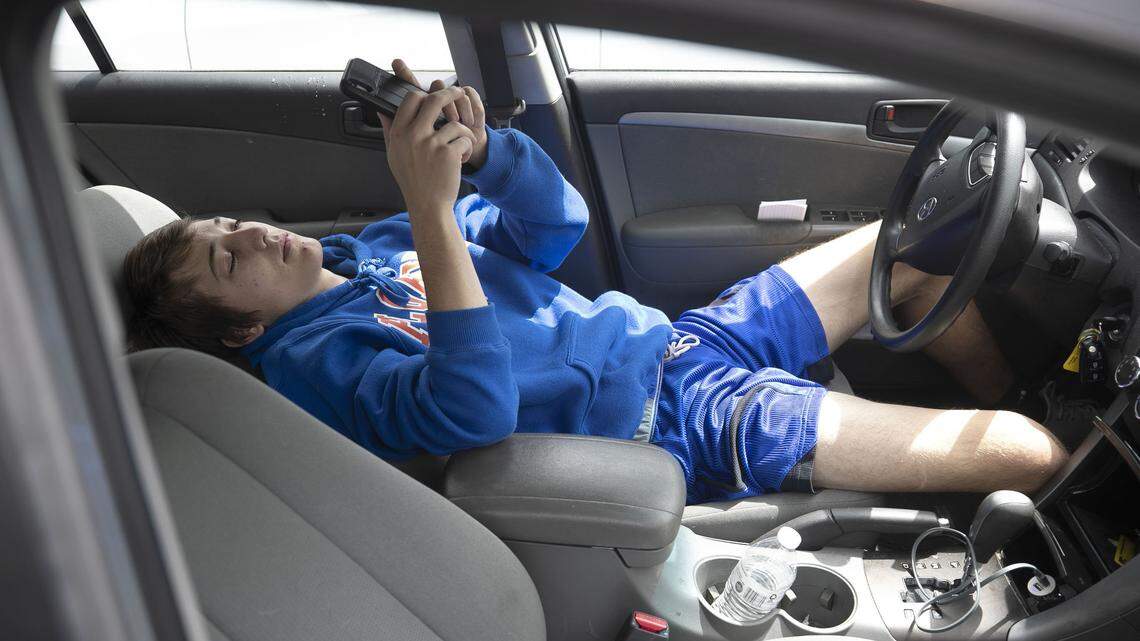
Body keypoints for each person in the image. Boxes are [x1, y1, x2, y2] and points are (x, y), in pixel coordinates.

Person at [123, 59, 1067, 504]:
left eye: (226, 223)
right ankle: (1071, 480)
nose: (246, 232)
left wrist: (487, 153)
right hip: (683, 427)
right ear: (238, 331)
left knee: (912, 255)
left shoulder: (368, 251)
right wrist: (430, 214)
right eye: (224, 258)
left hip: (687, 340)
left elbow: (556, 225)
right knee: (1030, 452)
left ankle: (1030, 394)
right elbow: (472, 410)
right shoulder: (318, 375)